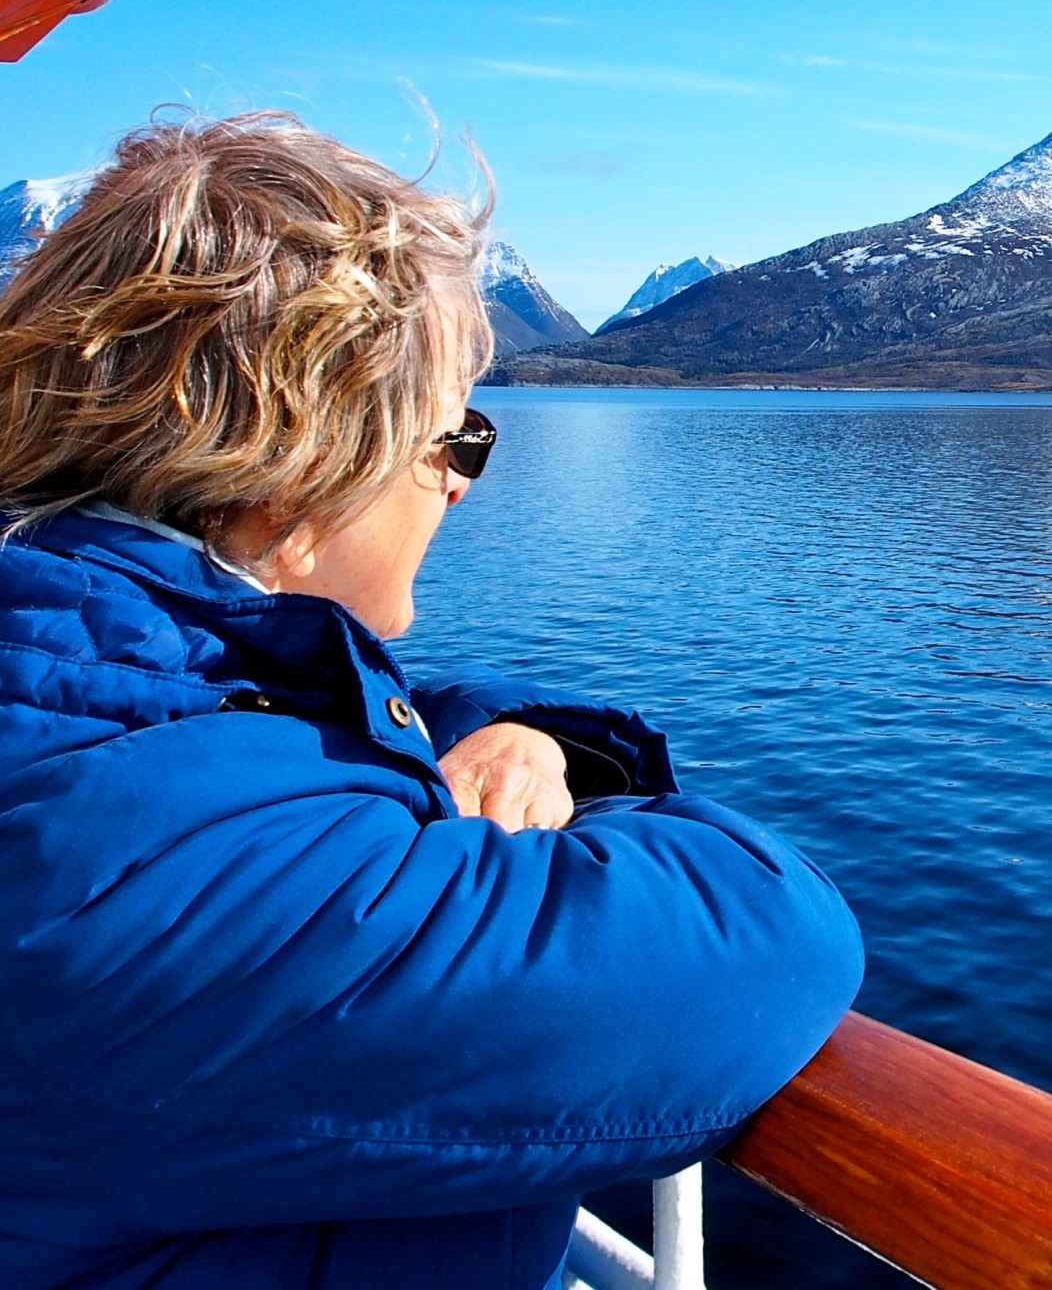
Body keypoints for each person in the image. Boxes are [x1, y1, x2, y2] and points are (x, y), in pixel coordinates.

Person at [0, 113, 863, 1290]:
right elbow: (767, 935)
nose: (459, 488)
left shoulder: (84, 688)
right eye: (455, 438)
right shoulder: (150, 874)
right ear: (307, 454)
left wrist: (522, 737)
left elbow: (266, 713)